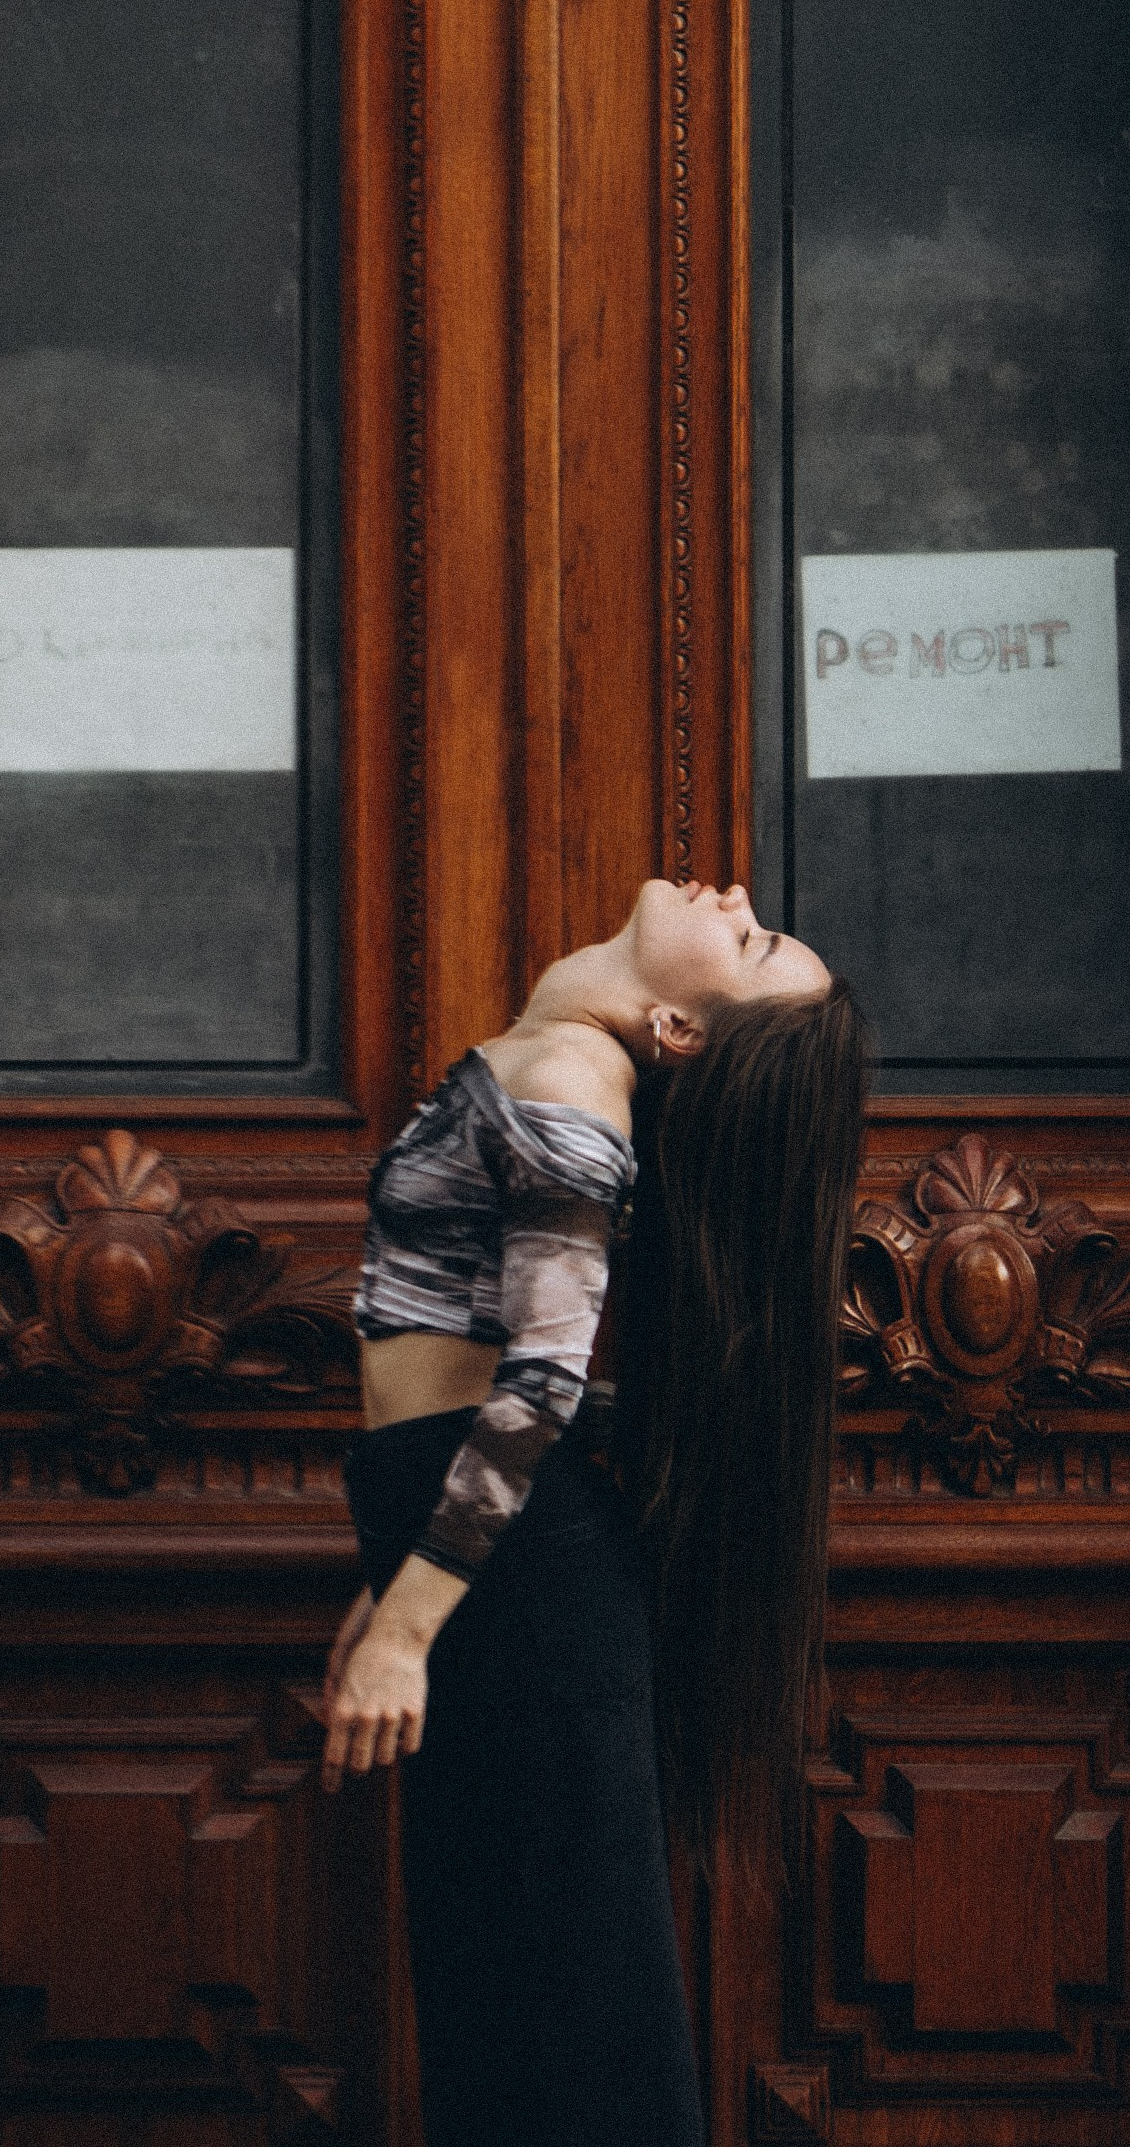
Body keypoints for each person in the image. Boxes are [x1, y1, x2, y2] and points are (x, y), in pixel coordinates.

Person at [319, 876, 869, 2147]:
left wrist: (406, 1627)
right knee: (503, 2028)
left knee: (581, 2042)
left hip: (535, 1606)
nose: (732, 896)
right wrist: (408, 1579)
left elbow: (535, 1397)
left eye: (751, 937)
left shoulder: (573, 1079)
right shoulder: (558, 1062)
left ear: (679, 1032)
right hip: (497, 1575)